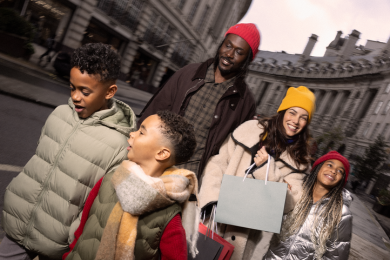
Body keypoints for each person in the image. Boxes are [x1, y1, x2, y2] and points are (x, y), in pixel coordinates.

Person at [0, 43, 136, 260]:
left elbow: (101, 204)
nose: (75, 96)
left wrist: (73, 236)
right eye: (72, 87)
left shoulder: (118, 144)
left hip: (59, 241)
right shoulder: (60, 113)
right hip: (19, 220)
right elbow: (39, 158)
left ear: (110, 91)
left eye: (85, 91)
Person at [198, 86, 316, 259]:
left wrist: (268, 170)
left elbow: (291, 203)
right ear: (282, 111)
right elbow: (218, 163)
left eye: (303, 118)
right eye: (292, 112)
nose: (296, 121)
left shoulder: (299, 161)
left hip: (244, 237)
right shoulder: (250, 130)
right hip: (213, 220)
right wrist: (210, 198)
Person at [63, 111, 199, 260]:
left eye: (141, 132)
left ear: (161, 153)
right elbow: (82, 230)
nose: (132, 134)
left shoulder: (169, 212)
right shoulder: (110, 179)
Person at [138, 23, 260, 179]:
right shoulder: (188, 74)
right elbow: (154, 111)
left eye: (239, 52)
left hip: (191, 179)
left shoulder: (245, 102)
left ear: (247, 60)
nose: (229, 54)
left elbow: (237, 152)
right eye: (227, 46)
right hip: (155, 164)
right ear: (221, 45)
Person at [263, 151, 352, 260]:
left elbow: (336, 256)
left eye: (340, 171)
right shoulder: (296, 193)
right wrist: (282, 194)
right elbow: (269, 222)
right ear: (318, 167)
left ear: (341, 180)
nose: (333, 171)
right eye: (329, 165)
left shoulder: (341, 213)